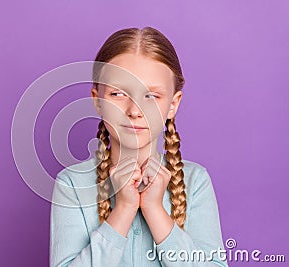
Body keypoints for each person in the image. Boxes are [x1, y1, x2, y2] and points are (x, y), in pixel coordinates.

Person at [49, 27, 228, 266]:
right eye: (118, 93)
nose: (135, 111)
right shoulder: (71, 184)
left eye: (151, 96)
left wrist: (155, 210)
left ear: (173, 104)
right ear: (97, 100)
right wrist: (123, 208)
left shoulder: (195, 181)